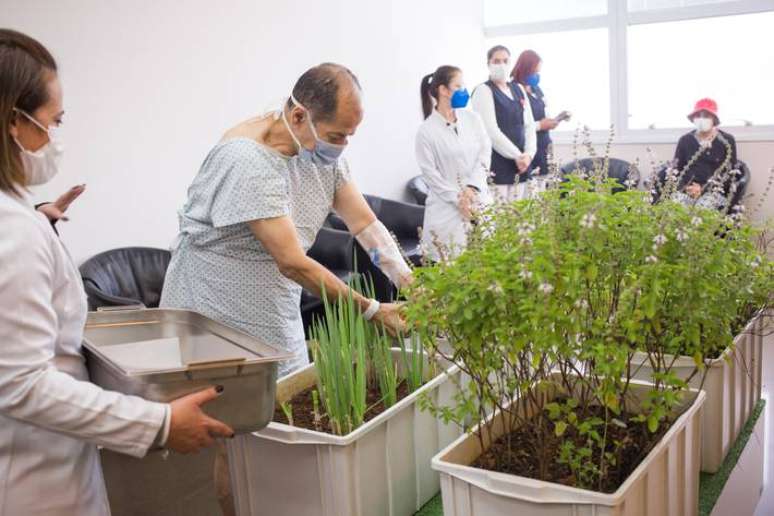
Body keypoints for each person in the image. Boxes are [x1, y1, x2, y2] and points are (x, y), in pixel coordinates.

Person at [159, 62, 411, 515]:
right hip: (217, 302)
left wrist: (410, 280)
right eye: (337, 135)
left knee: (287, 410)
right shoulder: (248, 160)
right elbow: (293, 262)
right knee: (235, 429)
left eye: (350, 135)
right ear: (298, 117)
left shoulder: (319, 151)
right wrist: (373, 310)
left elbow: (364, 223)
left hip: (272, 297)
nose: (342, 146)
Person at [0, 29, 233, 516]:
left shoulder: (18, 221)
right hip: (33, 476)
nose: (53, 141)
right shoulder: (13, 231)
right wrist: (159, 424)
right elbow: (21, 384)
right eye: (51, 123)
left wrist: (36, 223)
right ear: (11, 122)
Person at [416, 65, 492, 262]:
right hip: (446, 211)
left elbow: (484, 153)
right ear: (443, 90)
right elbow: (430, 174)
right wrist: (458, 199)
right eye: (459, 85)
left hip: (478, 200)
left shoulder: (472, 119)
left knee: (488, 263)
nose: (464, 90)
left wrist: (472, 188)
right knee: (452, 266)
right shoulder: (426, 131)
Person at [471, 45, 536, 202]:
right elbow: (490, 131)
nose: (502, 65)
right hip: (498, 168)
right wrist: (517, 156)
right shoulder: (483, 91)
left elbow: (529, 125)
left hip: (523, 166)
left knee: (523, 218)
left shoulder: (518, 89)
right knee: (500, 220)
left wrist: (528, 155)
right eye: (497, 61)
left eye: (505, 61)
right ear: (488, 64)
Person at [512, 50, 570, 189]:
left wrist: (554, 120)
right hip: (527, 147)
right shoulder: (513, 90)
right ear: (524, 69)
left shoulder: (536, 89)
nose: (536, 76)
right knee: (529, 187)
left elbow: (543, 111)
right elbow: (514, 123)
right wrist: (539, 125)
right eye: (534, 72)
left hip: (544, 144)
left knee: (544, 187)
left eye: (538, 72)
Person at [670, 98, 738, 210]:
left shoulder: (727, 140)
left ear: (714, 119)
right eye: (698, 116)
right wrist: (687, 188)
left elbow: (731, 173)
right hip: (688, 190)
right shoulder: (685, 140)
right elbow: (677, 170)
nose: (702, 119)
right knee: (674, 208)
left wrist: (703, 189)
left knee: (701, 210)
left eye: (706, 116)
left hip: (714, 192)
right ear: (693, 118)